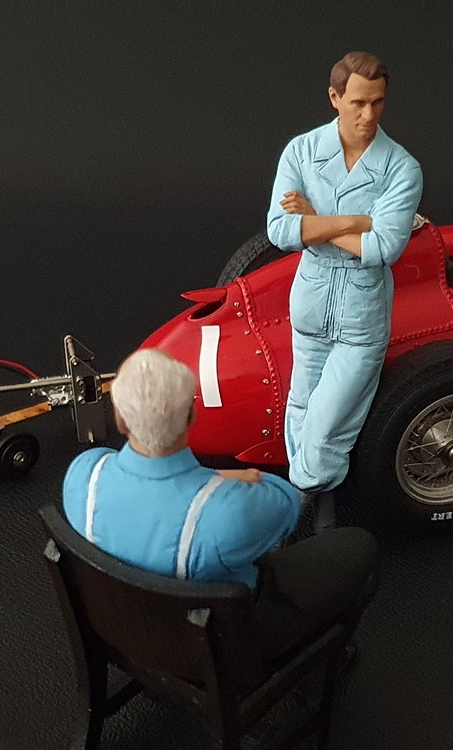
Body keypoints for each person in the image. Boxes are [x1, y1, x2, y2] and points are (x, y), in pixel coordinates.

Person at [62, 348, 379, 658]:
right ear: (191, 415)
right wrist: (226, 477)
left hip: (123, 627)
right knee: (358, 545)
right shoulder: (226, 515)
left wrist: (209, 478)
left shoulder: (83, 475)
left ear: (120, 420)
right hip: (213, 646)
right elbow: (288, 503)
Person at [266, 51, 423, 523]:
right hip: (311, 303)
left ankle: (298, 500)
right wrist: (356, 222)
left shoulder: (401, 168)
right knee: (300, 406)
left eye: (378, 102)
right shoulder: (300, 152)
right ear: (334, 98)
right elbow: (280, 230)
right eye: (357, 102)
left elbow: (385, 247)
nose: (369, 115)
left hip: (361, 314)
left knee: (327, 422)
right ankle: (319, 506)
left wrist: (314, 220)